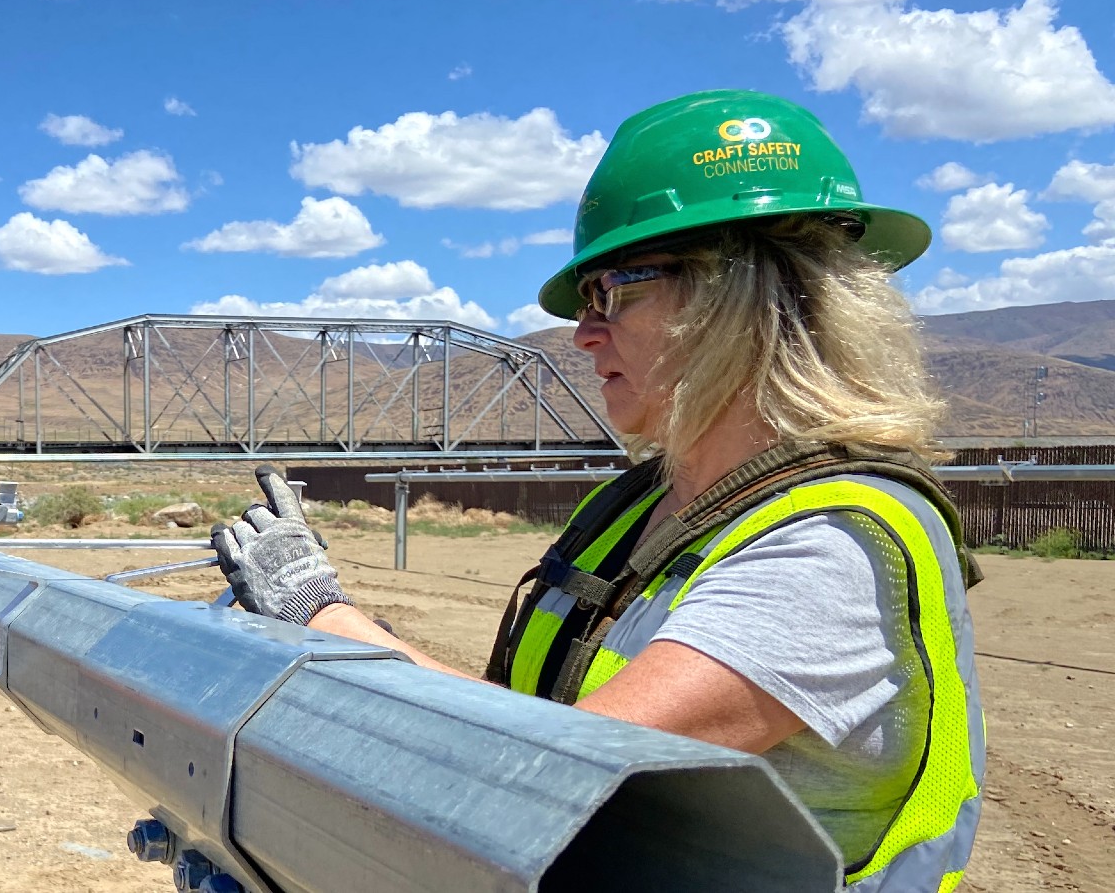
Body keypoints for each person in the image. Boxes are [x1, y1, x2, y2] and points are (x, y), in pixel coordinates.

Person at [211, 89, 983, 892]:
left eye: (614, 289)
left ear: (739, 298)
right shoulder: (640, 510)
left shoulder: (829, 548)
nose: (583, 333)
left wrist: (324, 615)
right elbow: (524, 719)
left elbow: (547, 777)